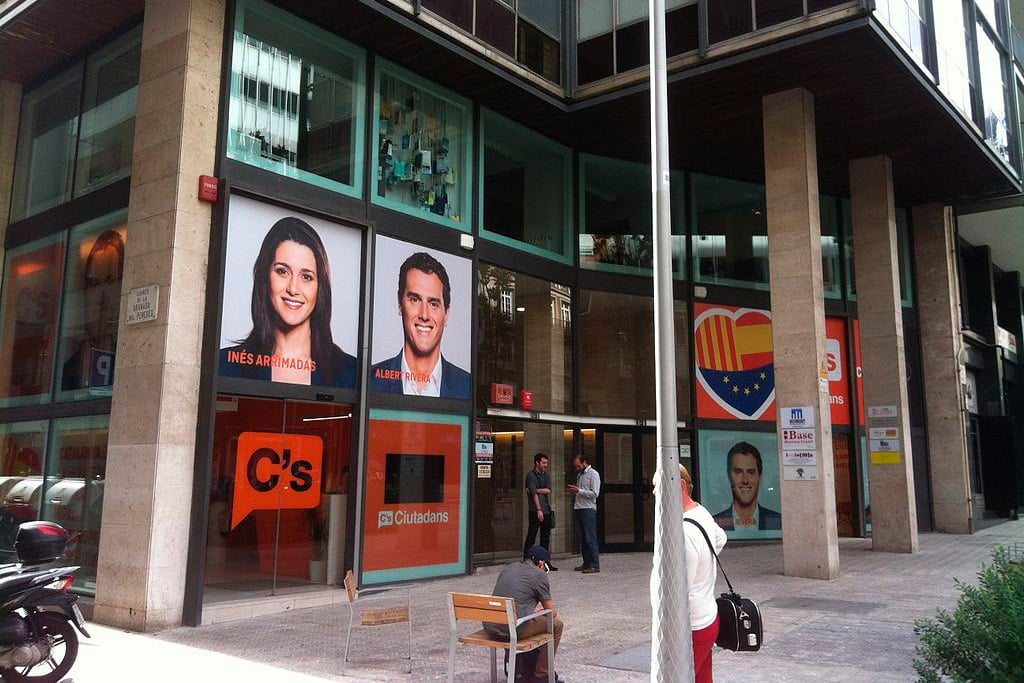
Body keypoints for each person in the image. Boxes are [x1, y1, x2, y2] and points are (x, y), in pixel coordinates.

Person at [219, 216, 357, 387]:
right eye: (283, 271)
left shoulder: (351, 372)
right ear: (264, 276)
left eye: (306, 277)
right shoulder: (225, 365)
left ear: (320, 287)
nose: (293, 289)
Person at [370, 252, 471, 399]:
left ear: (447, 314)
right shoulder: (371, 381)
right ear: (400, 304)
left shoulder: (467, 386)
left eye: (433, 304)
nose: (424, 315)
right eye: (415, 299)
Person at [485, 546, 564, 682]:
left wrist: (529, 610)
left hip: (491, 625)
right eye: (546, 565)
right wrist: (540, 612)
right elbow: (552, 612)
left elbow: (511, 595)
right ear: (541, 564)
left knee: (511, 621)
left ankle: (518, 671)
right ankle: (542, 675)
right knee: (556, 625)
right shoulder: (539, 575)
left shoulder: (509, 568)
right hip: (511, 628)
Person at [679, 464, 727, 683]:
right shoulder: (701, 511)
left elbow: (680, 589)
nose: (652, 493)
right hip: (707, 616)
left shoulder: (684, 531)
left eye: (656, 486)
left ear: (679, 486)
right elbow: (721, 538)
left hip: (692, 625)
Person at [713, 441, 781, 532]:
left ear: (760, 477)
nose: (745, 480)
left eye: (751, 473)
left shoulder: (778, 522)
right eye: (738, 472)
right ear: (729, 476)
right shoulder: (713, 524)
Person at [523, 453, 557, 570]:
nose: (545, 465)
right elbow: (533, 495)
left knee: (545, 537)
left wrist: (536, 490)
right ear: (537, 463)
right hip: (535, 510)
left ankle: (545, 562)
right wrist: (538, 510)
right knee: (532, 535)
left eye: (546, 463)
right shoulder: (531, 476)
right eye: (543, 463)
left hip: (546, 509)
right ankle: (526, 561)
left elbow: (548, 490)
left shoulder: (546, 475)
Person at [568, 454, 600, 574]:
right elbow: (581, 491)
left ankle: (595, 565)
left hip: (588, 508)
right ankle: (586, 563)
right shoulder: (580, 475)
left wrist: (579, 491)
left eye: (578, 466)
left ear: (584, 462)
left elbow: (595, 493)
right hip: (579, 507)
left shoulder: (594, 474)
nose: (577, 468)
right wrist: (575, 490)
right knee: (583, 538)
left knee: (590, 538)